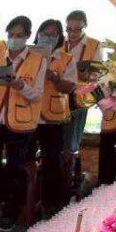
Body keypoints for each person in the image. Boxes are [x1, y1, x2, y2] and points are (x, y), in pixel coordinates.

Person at [0, 16, 47, 230]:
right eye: (11, 35)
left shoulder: (38, 61)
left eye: (19, 35)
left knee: (15, 168)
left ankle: (10, 212)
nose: (14, 39)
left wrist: (19, 85)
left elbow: (37, 95)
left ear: (27, 36)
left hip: (20, 122)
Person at [34, 18, 79, 216]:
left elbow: (70, 87)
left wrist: (56, 78)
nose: (47, 37)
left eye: (53, 34)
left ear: (60, 37)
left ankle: (51, 204)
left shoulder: (66, 58)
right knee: (23, 160)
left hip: (53, 117)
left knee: (51, 160)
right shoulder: (29, 55)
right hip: (26, 114)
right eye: (44, 33)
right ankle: (26, 200)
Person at [59, 10, 104, 170]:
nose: (72, 33)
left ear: (85, 27)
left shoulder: (94, 44)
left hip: (79, 98)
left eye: (77, 29)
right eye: (68, 29)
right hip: (58, 96)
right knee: (57, 140)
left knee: (72, 142)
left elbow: (99, 73)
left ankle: (68, 176)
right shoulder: (60, 43)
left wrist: (86, 73)